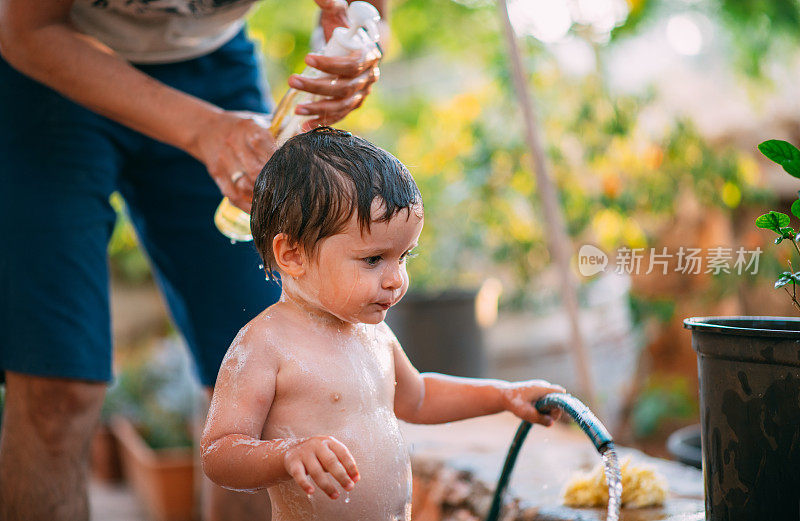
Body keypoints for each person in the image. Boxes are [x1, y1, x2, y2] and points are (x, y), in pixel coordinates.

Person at [0, 1, 383, 520]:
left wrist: (357, 47)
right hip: (48, 66)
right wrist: (202, 129)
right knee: (54, 389)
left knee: (270, 385)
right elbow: (27, 29)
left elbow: (363, 8)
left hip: (213, 66)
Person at [200, 127, 566, 521]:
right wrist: (287, 453)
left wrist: (503, 396)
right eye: (373, 259)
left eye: (404, 257)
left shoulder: (373, 334)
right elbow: (219, 452)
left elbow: (419, 397)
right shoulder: (265, 344)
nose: (395, 279)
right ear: (292, 255)